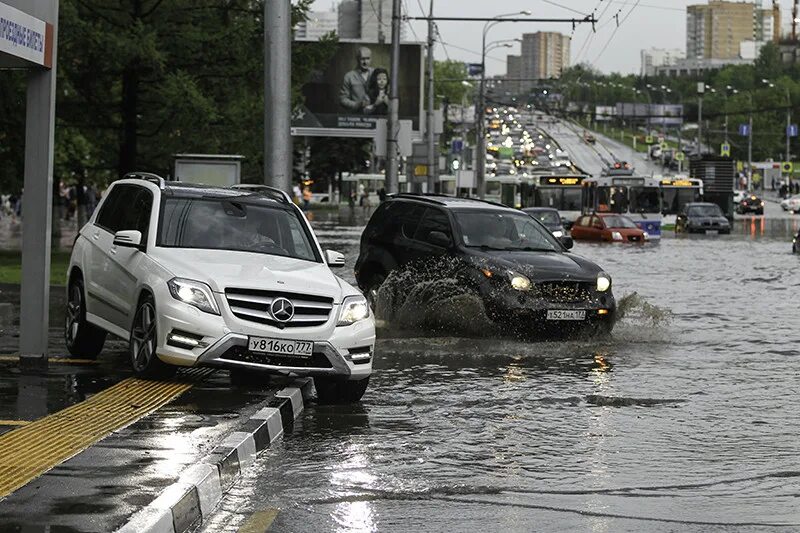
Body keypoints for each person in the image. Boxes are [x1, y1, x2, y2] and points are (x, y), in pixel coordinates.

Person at [339, 46, 373, 114]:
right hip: (356, 117)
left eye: (368, 58)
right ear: (357, 59)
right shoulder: (349, 76)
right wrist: (357, 105)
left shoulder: (376, 73)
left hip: (375, 116)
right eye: (362, 59)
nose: (365, 62)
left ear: (371, 59)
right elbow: (342, 99)